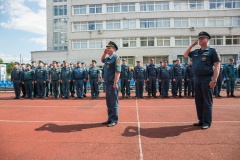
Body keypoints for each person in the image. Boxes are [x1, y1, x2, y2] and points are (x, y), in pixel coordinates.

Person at [184, 31, 220, 129]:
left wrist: (214, 80)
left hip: (207, 78)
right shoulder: (196, 52)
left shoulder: (212, 51)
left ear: (207, 39)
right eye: (199, 38)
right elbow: (185, 54)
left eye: (202, 38)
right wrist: (192, 44)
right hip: (196, 79)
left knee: (207, 101)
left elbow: (217, 66)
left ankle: (207, 122)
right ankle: (201, 120)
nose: (199, 40)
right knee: (198, 101)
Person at [101, 41, 121, 127]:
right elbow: (102, 60)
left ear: (114, 49)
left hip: (113, 83)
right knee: (108, 103)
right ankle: (109, 118)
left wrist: (115, 82)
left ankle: (114, 120)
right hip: (107, 83)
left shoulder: (116, 58)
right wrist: (104, 53)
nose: (107, 49)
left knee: (113, 102)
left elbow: (118, 71)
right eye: (107, 48)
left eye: (109, 48)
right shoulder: (108, 58)